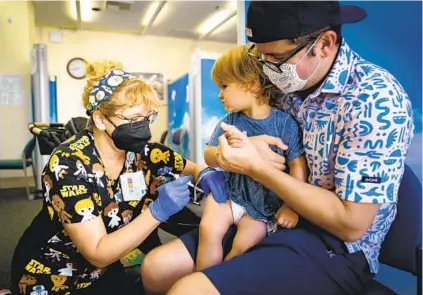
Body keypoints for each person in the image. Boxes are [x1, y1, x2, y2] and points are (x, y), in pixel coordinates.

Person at [141, 2, 414, 295]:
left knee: (189, 291)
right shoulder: (281, 84)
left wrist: (255, 166)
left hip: (336, 242)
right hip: (266, 213)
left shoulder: (375, 99)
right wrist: (227, 156)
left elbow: (351, 225)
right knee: (156, 269)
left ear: (324, 44)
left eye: (276, 57)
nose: (266, 68)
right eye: (260, 56)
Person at [10, 60, 221, 295]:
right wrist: (157, 211)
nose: (143, 128)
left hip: (104, 270)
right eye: (133, 120)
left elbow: (191, 167)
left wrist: (204, 173)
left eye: (148, 117)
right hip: (52, 271)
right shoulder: (68, 162)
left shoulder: (143, 150)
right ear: (100, 119)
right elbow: (98, 253)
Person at [196, 45, 307, 271]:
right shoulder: (230, 121)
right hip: (229, 197)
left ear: (252, 84)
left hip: (263, 209)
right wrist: (223, 152)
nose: (219, 94)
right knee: (208, 230)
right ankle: (200, 281)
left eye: (224, 86)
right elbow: (208, 154)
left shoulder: (284, 124)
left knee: (244, 244)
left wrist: (290, 206)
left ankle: (219, 282)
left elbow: (298, 166)